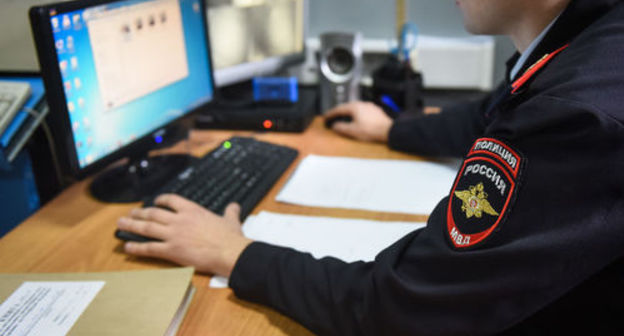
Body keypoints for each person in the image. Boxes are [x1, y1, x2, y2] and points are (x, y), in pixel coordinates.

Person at [117, 0, 624, 333]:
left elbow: (400, 307)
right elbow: (497, 111)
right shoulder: (585, 43)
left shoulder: (577, 110)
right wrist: (391, 130)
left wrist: (235, 253)